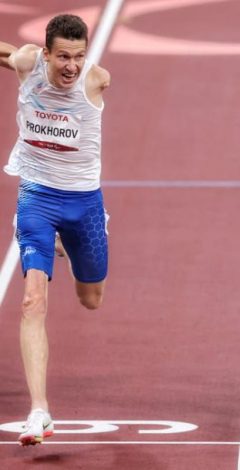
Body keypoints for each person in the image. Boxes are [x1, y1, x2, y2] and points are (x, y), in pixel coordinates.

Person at [0, 14, 111, 446]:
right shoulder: (27, 64)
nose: (72, 67)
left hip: (84, 204)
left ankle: (70, 240)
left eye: (79, 56)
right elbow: (8, 52)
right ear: (45, 53)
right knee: (32, 300)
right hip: (36, 198)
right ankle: (39, 411)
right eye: (63, 57)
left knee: (91, 299)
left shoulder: (96, 81)